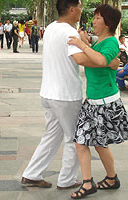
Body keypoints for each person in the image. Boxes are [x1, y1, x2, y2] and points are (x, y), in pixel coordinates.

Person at [21, 0, 120, 190]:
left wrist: (86, 43)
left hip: (48, 93)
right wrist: (109, 62)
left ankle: (32, 174)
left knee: (51, 135)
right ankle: (67, 179)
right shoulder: (70, 32)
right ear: (73, 9)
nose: (83, 13)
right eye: (81, 8)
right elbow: (81, 58)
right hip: (65, 95)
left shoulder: (51, 27)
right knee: (77, 138)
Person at [68, 4, 127, 199]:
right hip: (92, 101)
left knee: (93, 143)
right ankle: (98, 181)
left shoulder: (111, 43)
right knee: (83, 141)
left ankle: (102, 180)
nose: (93, 21)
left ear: (108, 23)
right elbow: (100, 60)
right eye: (94, 17)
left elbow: (101, 61)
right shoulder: (98, 43)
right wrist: (87, 44)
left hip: (105, 103)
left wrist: (81, 45)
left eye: (97, 18)